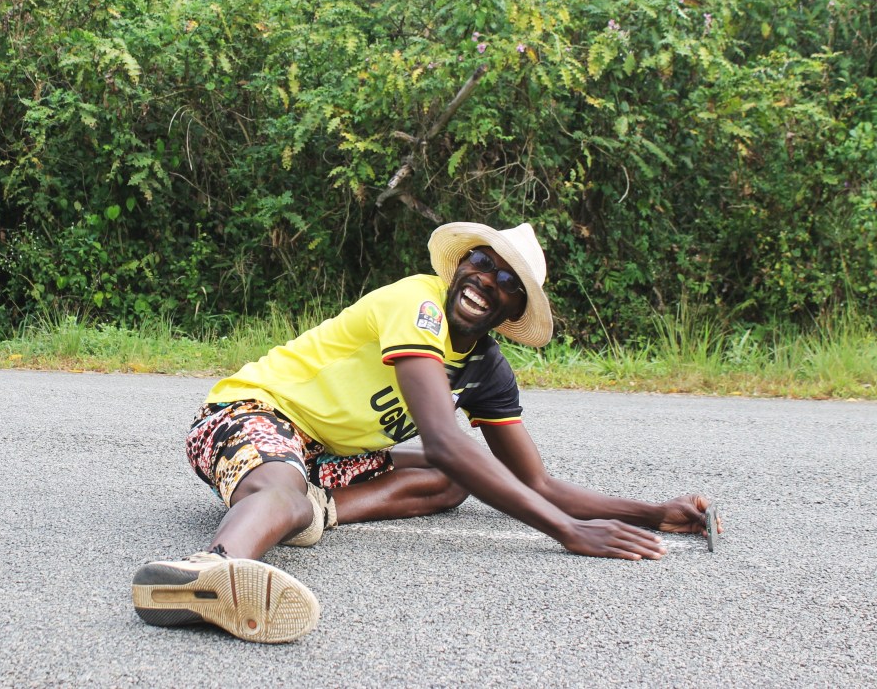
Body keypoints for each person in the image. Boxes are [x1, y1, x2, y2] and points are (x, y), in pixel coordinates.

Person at [132, 221, 720, 643]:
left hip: (324, 455)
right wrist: (566, 532)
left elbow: (535, 479)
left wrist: (652, 512)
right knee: (430, 460)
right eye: (481, 262)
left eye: (506, 279)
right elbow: (442, 437)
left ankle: (311, 512)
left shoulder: (487, 370)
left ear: (513, 312)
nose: (486, 278)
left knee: (453, 480)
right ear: (460, 265)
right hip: (248, 416)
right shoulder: (418, 304)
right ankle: (209, 570)